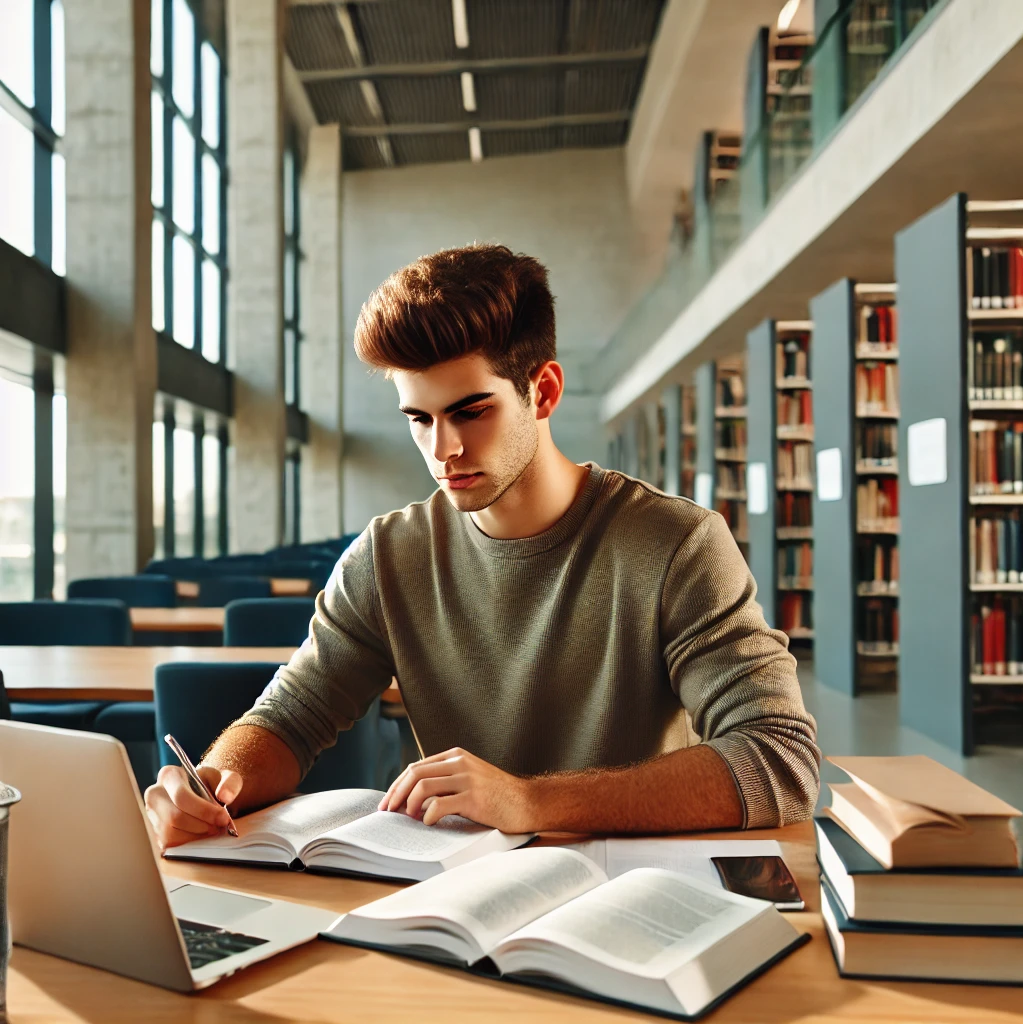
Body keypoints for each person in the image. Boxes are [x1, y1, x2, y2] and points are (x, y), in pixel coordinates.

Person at [145, 244, 820, 849]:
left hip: (633, 889)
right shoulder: (387, 557)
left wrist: (528, 801)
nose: (443, 450)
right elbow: (287, 719)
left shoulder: (678, 545)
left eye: (471, 411)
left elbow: (779, 758)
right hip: (460, 899)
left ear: (543, 390)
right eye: (420, 420)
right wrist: (212, 782)